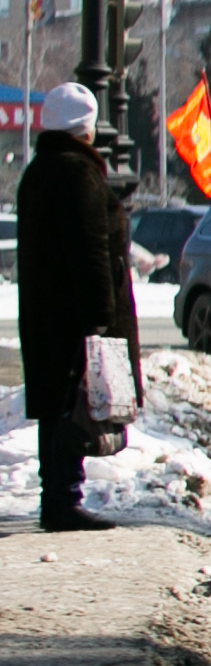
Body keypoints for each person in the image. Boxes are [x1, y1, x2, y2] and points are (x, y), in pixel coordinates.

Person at [15, 84, 134, 532]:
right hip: (74, 317)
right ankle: (63, 501)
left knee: (57, 407)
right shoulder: (77, 174)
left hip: (45, 312)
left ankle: (58, 497)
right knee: (72, 406)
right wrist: (100, 318)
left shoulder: (39, 171)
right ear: (85, 129)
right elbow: (92, 251)